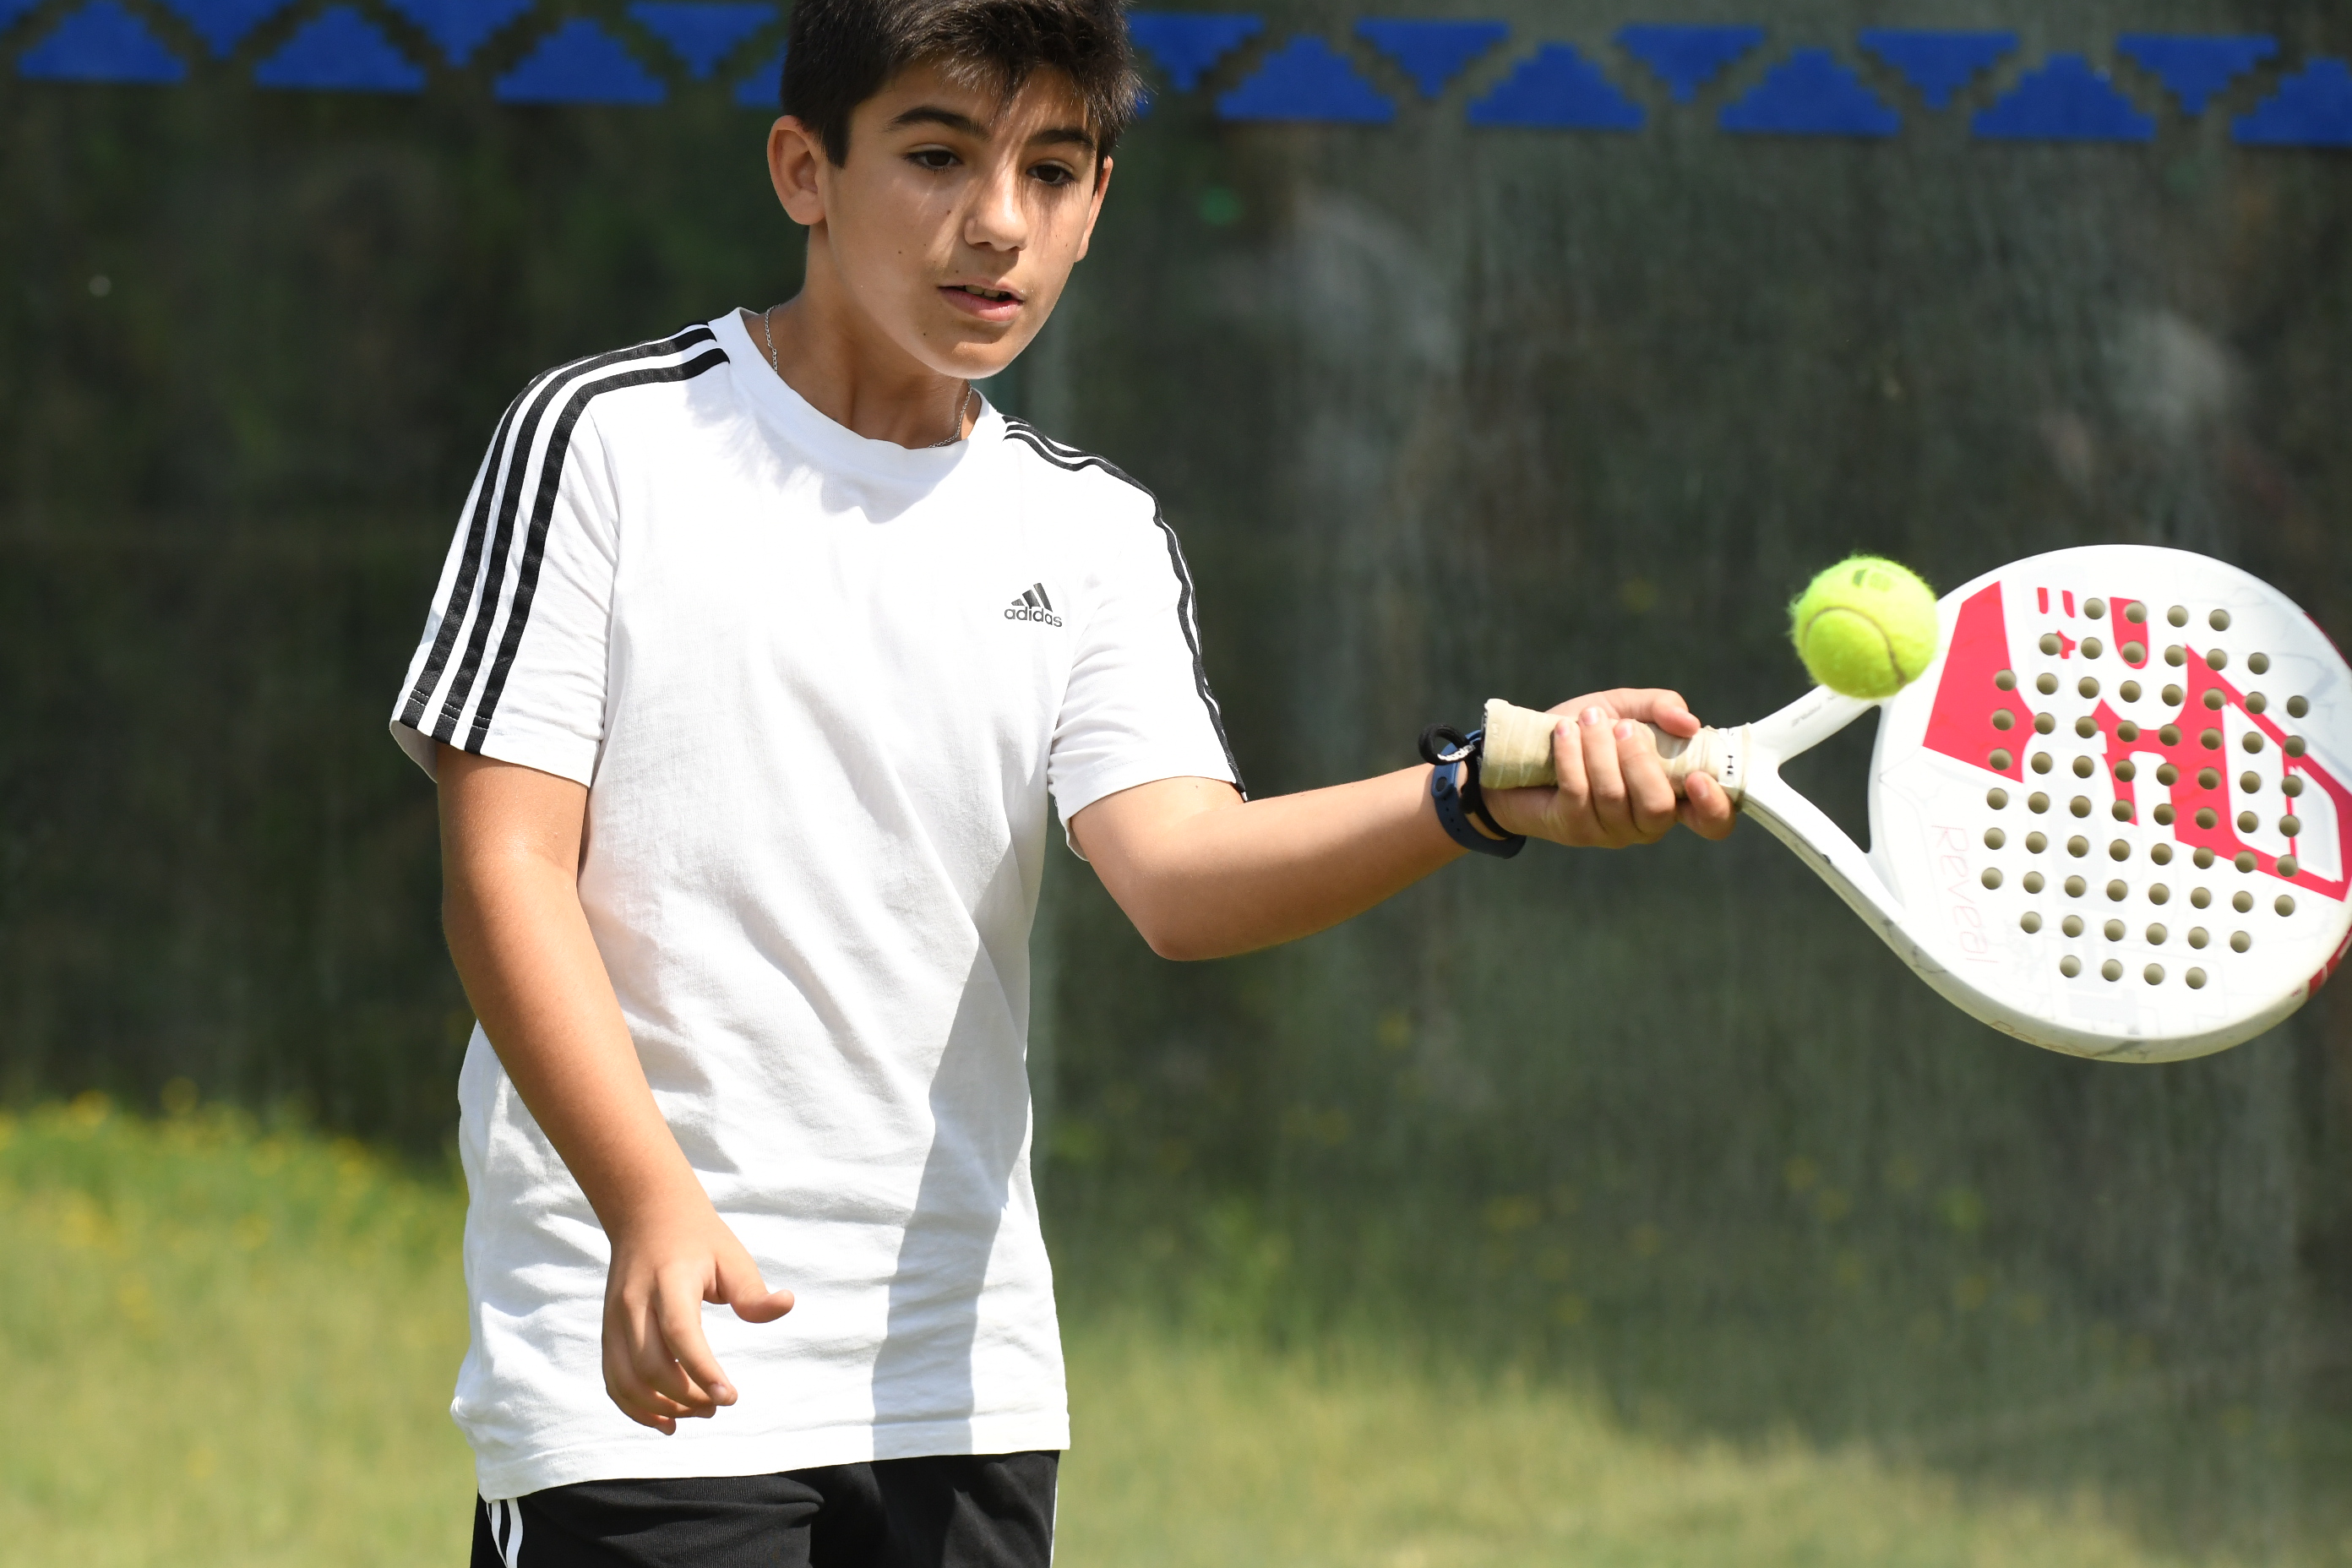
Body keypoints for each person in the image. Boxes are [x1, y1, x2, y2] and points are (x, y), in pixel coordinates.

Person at [392, 0, 1736, 1562]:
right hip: (645, 1380)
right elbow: (505, 870)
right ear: (803, 169)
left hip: (965, 1394)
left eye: (1051, 170)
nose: (997, 224)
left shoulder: (1092, 534)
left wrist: (1480, 790)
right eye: (937, 156)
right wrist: (648, 1203)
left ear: (1097, 204)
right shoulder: (605, 444)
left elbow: (1184, 877)